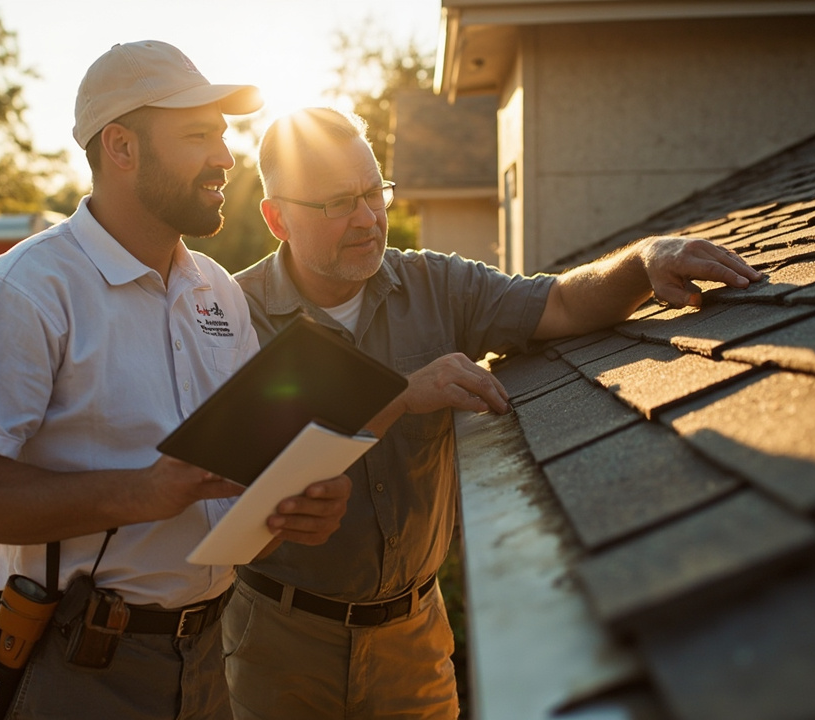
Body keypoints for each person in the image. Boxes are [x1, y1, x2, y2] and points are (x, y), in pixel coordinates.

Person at [222, 107, 764, 719]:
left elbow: (558, 302)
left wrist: (643, 262)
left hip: (414, 642)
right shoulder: (229, 317)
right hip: (281, 648)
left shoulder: (437, 286)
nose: (369, 218)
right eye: (338, 203)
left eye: (374, 191)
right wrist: (400, 392)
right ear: (276, 218)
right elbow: (236, 481)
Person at [0, 45, 350, 720]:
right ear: (120, 147)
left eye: (223, 133)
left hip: (207, 659)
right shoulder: (26, 290)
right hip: (69, 666)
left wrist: (291, 509)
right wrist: (144, 491)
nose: (225, 157)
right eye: (197, 135)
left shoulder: (216, 291)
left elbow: (228, 500)